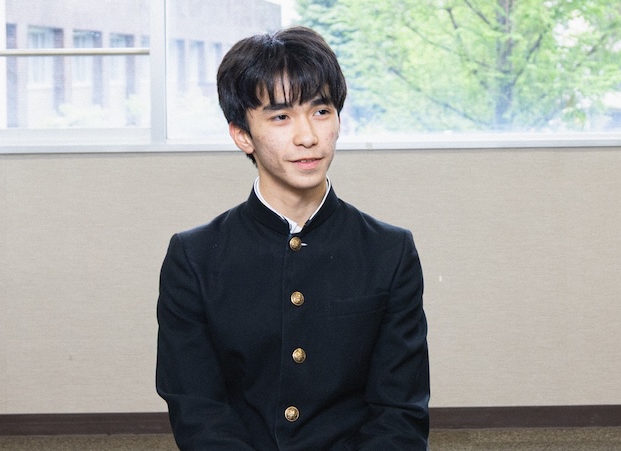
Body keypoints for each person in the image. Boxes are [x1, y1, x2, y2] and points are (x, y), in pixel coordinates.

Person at [156, 26, 429, 450]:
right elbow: (198, 412)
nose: (308, 137)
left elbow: (399, 414)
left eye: (321, 111)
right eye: (281, 117)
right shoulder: (193, 257)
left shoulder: (389, 252)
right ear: (241, 134)